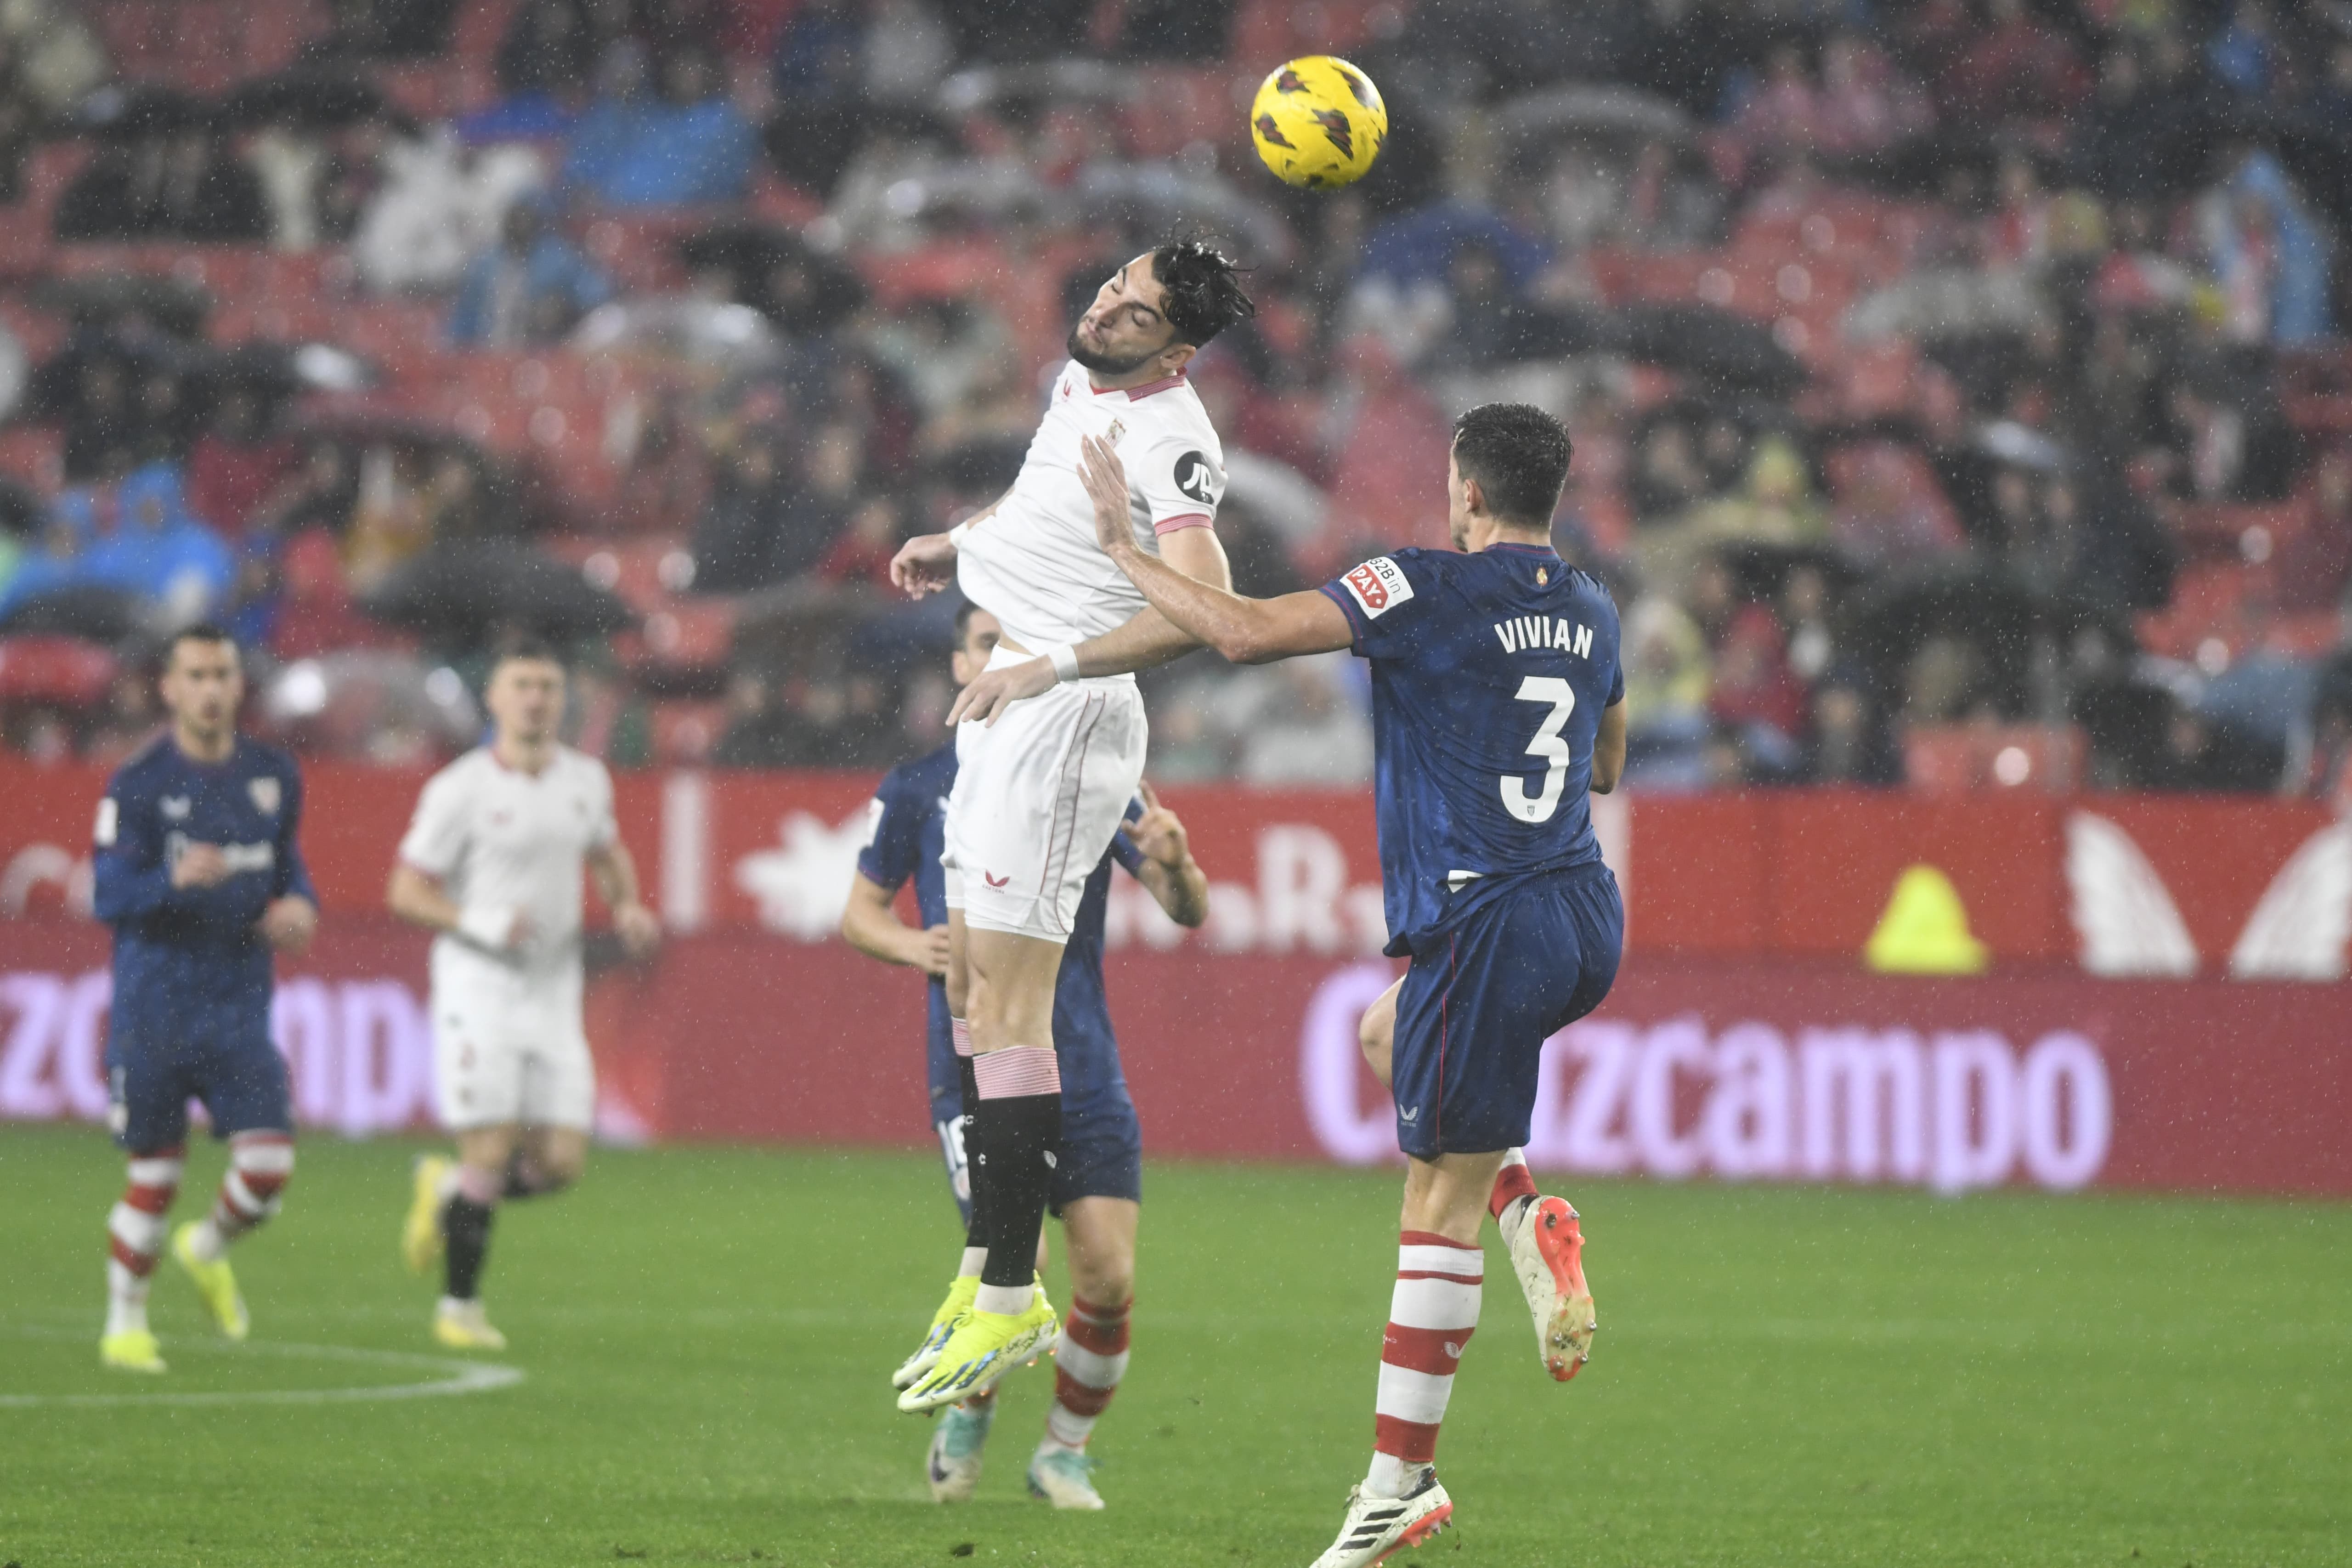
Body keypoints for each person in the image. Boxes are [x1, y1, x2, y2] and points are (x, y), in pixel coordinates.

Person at [1065, 402, 1625, 1567]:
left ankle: (1397, 1486)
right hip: (1582, 913)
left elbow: (1242, 632)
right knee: (1385, 1036)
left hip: (1487, 917)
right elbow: (1606, 765)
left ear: (1469, 493)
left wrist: (1123, 548)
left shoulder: (1421, 582)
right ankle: (1528, 1214)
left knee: (1430, 1209)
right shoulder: (1592, 606)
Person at [884, 241, 1254, 1414]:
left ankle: (1009, 1297)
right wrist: (962, 541)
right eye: (1112, 288)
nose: (1105, 310)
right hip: (1008, 706)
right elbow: (1039, 498)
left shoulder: (1174, 440)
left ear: (1177, 352)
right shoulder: (1080, 379)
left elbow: (1207, 611)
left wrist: (1050, 663)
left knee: (1011, 1004)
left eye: (1135, 313)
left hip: (1062, 715)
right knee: (969, 993)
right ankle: (981, 1279)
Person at [840, 601, 1209, 1508]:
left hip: (1083, 1058)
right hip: (976, 1066)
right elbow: (859, 912)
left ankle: (1062, 1452)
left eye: (1017, 642)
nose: (1001, 656)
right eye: (985, 642)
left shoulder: (1086, 770)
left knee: (1109, 1278)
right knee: (1023, 1261)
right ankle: (972, 1410)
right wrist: (913, 945)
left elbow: (1186, 910)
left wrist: (1176, 864)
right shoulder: (922, 785)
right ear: (962, 666)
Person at [386, 638, 661, 1349]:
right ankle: (460, 1308)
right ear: (495, 698)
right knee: (490, 1147)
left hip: (553, 993)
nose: (536, 699)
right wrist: (478, 920)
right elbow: (406, 890)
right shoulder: (461, 789)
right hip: (479, 989)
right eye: (522, 686)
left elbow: (607, 853)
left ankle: (447, 1191)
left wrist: (626, 905)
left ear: (563, 699)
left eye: (547, 686)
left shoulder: (586, 780)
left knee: (559, 1164)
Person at [90, 625, 319, 1373]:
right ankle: (126, 1323)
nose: (211, 689)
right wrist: (172, 880)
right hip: (154, 1010)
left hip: (237, 1006)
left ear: (238, 683)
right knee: (155, 1176)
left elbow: (288, 869)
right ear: (169, 688)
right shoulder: (138, 783)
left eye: (222, 673)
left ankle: (209, 1246)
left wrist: (300, 906)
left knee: (269, 1168)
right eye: (195, 675)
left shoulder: (273, 775)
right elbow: (107, 893)